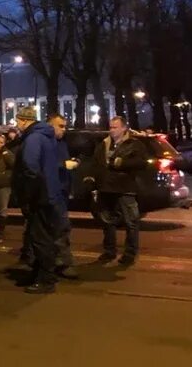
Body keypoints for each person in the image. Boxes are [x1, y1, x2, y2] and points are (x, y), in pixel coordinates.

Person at [12, 107, 61, 294]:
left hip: (39, 196)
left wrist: (27, 195)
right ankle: (40, 273)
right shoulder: (45, 136)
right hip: (48, 192)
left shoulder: (32, 139)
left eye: (17, 121)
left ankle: (46, 279)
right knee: (43, 236)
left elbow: (30, 168)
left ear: (24, 120)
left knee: (40, 238)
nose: (16, 124)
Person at [89, 116, 148, 265]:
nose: (112, 130)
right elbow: (96, 163)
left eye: (115, 127)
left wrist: (122, 163)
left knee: (131, 222)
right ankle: (109, 251)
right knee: (107, 222)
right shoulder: (103, 144)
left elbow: (142, 163)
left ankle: (129, 253)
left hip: (125, 188)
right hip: (106, 188)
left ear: (124, 128)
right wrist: (91, 179)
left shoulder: (134, 144)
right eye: (110, 127)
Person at [48, 114, 78, 279]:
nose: (64, 129)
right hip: (52, 192)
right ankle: (64, 263)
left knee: (59, 228)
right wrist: (62, 165)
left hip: (61, 191)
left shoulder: (61, 144)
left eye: (65, 126)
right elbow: (42, 166)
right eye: (60, 126)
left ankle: (57, 262)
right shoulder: (46, 143)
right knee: (61, 228)